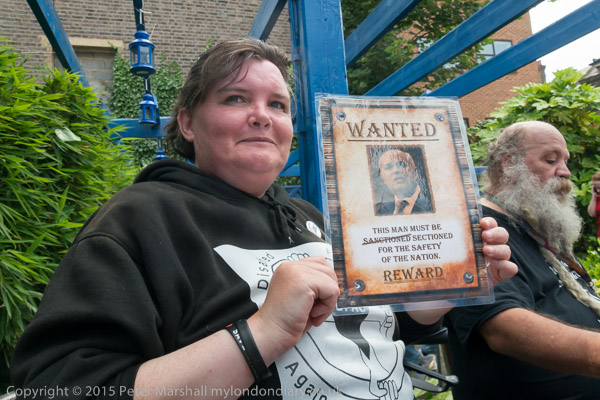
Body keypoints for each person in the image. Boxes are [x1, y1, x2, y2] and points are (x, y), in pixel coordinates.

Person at [10, 39, 515, 400]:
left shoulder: (309, 216)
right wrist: (264, 331)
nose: (262, 115)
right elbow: (56, 388)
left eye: (277, 104)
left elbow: (382, 324)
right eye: (236, 98)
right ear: (187, 123)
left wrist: (453, 279)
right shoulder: (139, 218)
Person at [444, 121, 600, 400]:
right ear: (509, 164)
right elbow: (504, 330)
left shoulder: (533, 226)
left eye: (565, 161)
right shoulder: (477, 228)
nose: (565, 172)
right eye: (551, 160)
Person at [375, 149, 433, 215]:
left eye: (403, 165)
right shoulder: (377, 210)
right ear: (382, 178)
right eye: (389, 167)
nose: (396, 170)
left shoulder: (433, 203)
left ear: (416, 173)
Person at [587, 171, 600, 238]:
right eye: (596, 187)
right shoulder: (597, 196)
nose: (598, 190)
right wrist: (593, 196)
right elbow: (591, 213)